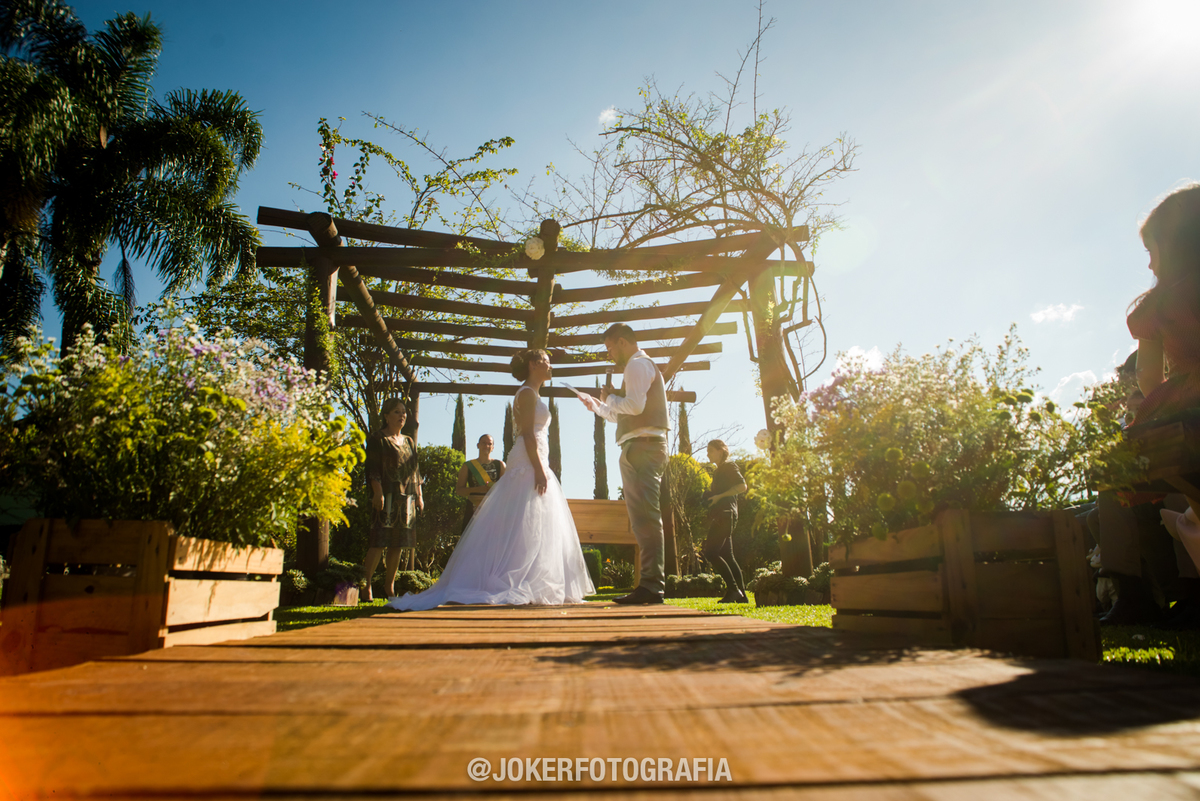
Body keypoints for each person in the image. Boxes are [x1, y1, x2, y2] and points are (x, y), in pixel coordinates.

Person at [387, 350, 594, 610]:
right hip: (530, 462)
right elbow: (528, 435)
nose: (551, 365)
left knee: (531, 523)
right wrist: (540, 470)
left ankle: (531, 579)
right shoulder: (528, 394)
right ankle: (514, 578)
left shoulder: (532, 393)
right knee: (524, 521)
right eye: (545, 361)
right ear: (533, 365)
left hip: (533, 460)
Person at [578, 324, 669, 605]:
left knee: (647, 518)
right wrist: (598, 405)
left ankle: (653, 587)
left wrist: (610, 398)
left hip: (644, 448)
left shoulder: (637, 364)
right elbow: (623, 415)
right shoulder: (634, 367)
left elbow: (635, 406)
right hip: (635, 446)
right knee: (641, 520)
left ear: (621, 341)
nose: (609, 354)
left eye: (609, 348)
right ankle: (650, 585)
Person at [362, 399, 423, 602]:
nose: (402, 415)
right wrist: (377, 493)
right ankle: (366, 585)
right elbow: (373, 469)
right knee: (379, 542)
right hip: (385, 495)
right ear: (386, 415)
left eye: (404, 412)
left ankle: (390, 587)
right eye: (397, 412)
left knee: (397, 545)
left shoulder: (409, 441)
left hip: (406, 500)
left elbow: (415, 471)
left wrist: (419, 497)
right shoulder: (377, 438)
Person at [703, 439, 749, 604]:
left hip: (726, 514)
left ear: (720, 451)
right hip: (722, 514)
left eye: (710, 450)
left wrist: (720, 497)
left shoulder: (729, 466)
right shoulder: (718, 471)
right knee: (727, 556)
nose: (707, 454)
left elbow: (742, 486)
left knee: (710, 553)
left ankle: (733, 590)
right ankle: (742, 596)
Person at [456, 434, 505, 532]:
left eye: (489, 444)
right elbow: (459, 491)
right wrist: (478, 489)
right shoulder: (468, 466)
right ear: (478, 445)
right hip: (474, 511)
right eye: (484, 443)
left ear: (493, 447)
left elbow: (506, 490)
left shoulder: (500, 465)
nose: (487, 446)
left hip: (494, 512)